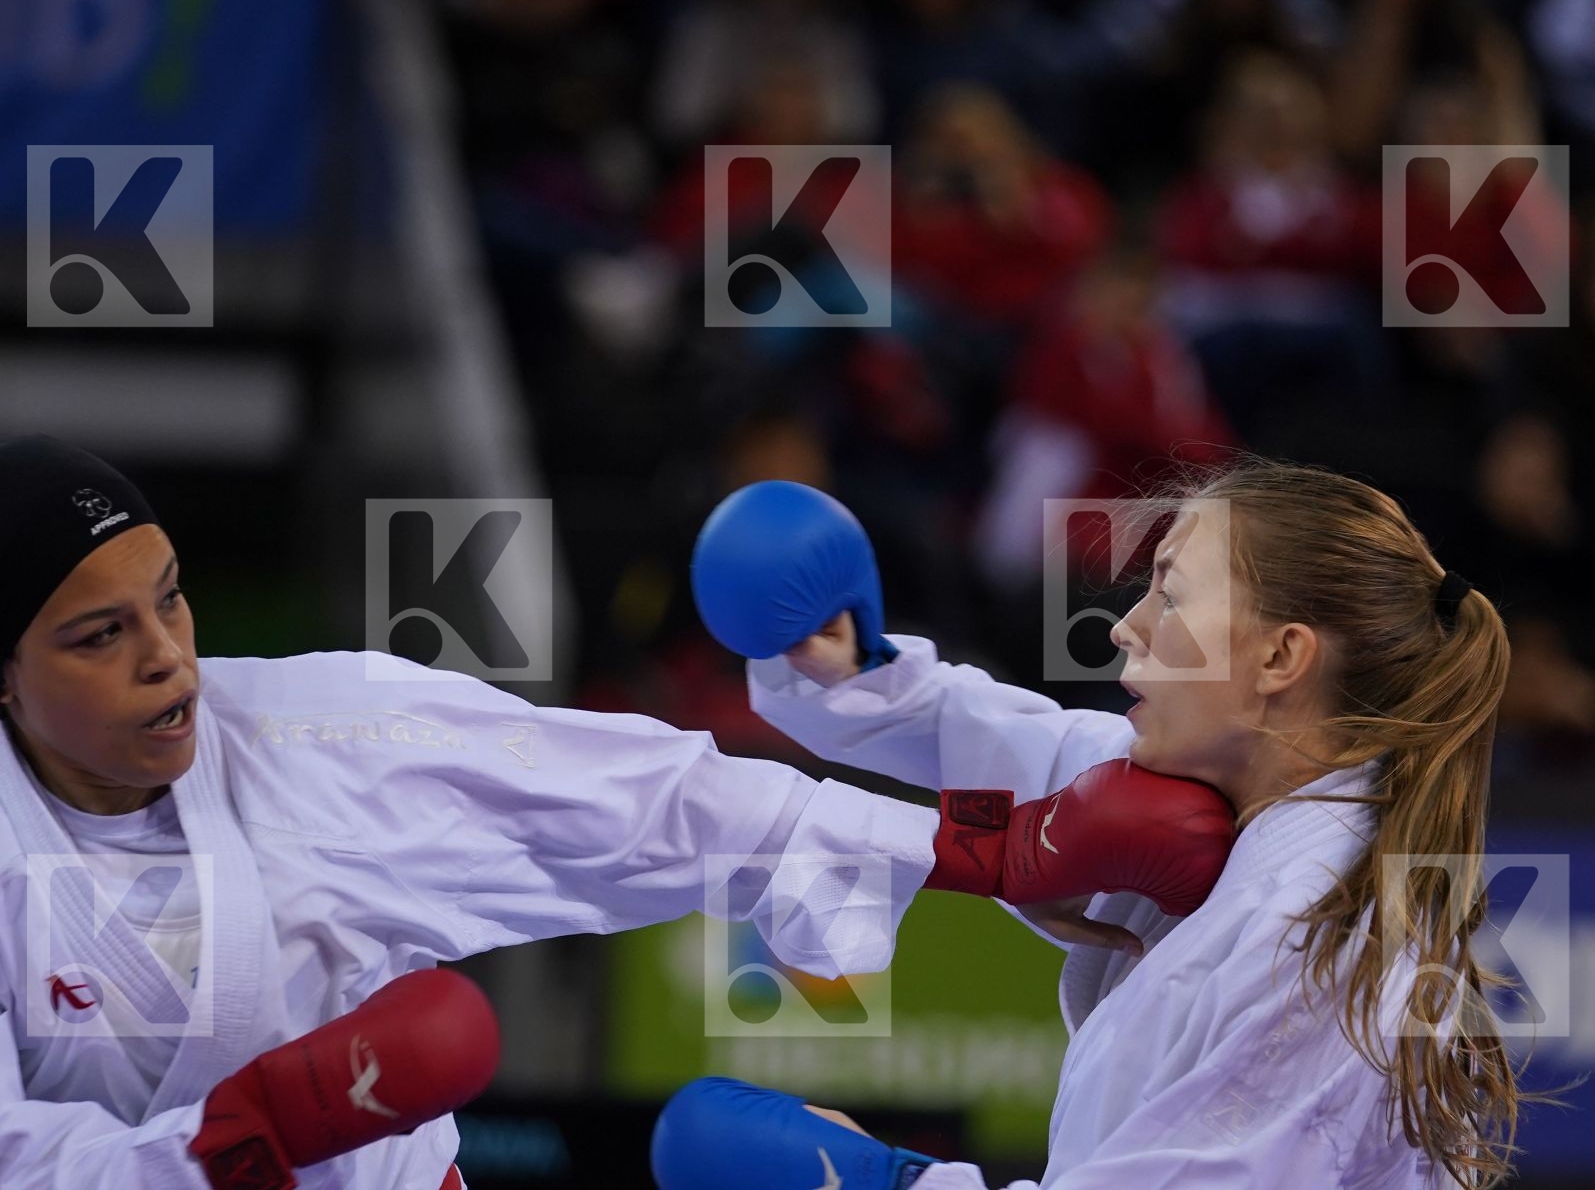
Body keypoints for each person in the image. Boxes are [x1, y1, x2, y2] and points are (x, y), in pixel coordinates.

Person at [0, 435, 1233, 1189]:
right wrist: (236, 1144)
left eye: (172, 601)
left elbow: (652, 800)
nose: (168, 658)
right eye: (102, 636)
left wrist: (993, 851)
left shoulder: (308, 734)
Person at [667, 460, 1538, 1188]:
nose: (1126, 626)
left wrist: (884, 1179)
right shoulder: (1221, 798)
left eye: (1170, 594)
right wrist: (851, 659)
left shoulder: (1313, 944)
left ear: (1281, 657)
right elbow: (986, 732)